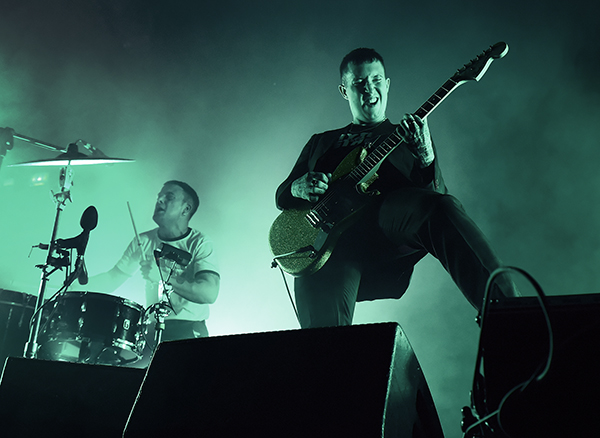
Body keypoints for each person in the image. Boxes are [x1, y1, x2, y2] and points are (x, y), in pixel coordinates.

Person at [275, 48, 518, 329]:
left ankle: (508, 312)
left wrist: (426, 156)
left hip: (383, 222)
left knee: (442, 206)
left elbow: (434, 202)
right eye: (359, 83)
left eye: (376, 79)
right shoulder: (322, 142)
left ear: (387, 84)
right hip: (327, 245)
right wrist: (298, 186)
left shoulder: (407, 137)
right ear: (344, 91)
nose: (370, 89)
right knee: (325, 342)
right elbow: (282, 195)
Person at [90, 180, 219, 358]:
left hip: (188, 330)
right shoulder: (143, 241)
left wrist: (163, 276)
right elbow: (114, 277)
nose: (159, 200)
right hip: (152, 327)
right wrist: (73, 287)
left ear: (186, 209)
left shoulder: (199, 243)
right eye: (159, 196)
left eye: (169, 197)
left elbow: (209, 293)